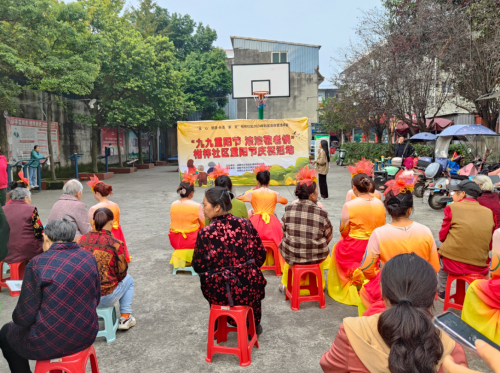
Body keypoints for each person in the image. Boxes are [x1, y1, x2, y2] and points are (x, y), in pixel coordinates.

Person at [320, 253, 468, 373]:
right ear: (432, 299)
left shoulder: (352, 332)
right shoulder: (449, 346)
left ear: (383, 292)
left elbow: (329, 366)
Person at [0, 217, 100, 373]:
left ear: (46, 238)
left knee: (6, 333)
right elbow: (96, 298)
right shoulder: (89, 257)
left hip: (50, 342)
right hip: (86, 333)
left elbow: (24, 316)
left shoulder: (37, 263)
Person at [357, 171, 440, 316]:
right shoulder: (425, 231)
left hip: (391, 285)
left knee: (364, 292)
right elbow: (435, 267)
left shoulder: (379, 233)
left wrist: (379, 275)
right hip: (419, 286)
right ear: (409, 209)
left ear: (388, 210)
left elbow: (366, 268)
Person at [192, 187, 267, 335]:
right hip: (248, 288)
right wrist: (245, 270)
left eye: (205, 205)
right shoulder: (245, 224)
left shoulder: (205, 233)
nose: (203, 209)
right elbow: (260, 254)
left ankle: (218, 321)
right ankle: (254, 323)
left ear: (217, 207)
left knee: (212, 279)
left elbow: (198, 266)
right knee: (253, 277)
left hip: (220, 291)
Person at [327, 169, 386, 306]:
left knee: (337, 248)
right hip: (375, 242)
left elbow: (343, 229)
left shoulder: (350, 205)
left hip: (355, 243)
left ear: (354, 188)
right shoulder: (380, 203)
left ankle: (351, 285)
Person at [78, 208, 136, 330]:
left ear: (93, 222)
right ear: (111, 222)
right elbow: (122, 273)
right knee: (129, 280)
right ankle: (125, 317)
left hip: (81, 295)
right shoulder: (115, 243)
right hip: (103, 296)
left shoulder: (80, 240)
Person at [437, 180, 495, 300]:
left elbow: (442, 236)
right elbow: (489, 244)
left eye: (455, 192)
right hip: (480, 265)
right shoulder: (489, 212)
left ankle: (442, 291)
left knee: (440, 257)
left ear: (462, 194)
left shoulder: (452, 207)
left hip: (453, 264)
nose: (453, 195)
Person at [279, 166, 333, 293]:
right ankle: (316, 285)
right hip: (316, 255)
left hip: (291, 254)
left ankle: (288, 284)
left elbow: (284, 231)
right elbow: (329, 236)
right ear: (312, 195)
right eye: (317, 191)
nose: (318, 193)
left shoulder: (288, 209)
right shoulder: (322, 213)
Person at [237, 164, 287, 269]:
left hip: (255, 223)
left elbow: (239, 199)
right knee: (280, 238)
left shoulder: (252, 193)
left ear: (258, 182)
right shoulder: (275, 193)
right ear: (269, 182)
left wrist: (247, 192)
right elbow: (285, 201)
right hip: (271, 222)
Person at [460, 227, 500, 344]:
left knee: (475, 287)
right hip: (475, 262)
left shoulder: (498, 233)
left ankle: (478, 333)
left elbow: (495, 269)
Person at [87, 175, 130, 262]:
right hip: (116, 232)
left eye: (94, 193)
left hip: (102, 236)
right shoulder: (115, 205)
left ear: (97, 193)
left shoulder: (93, 209)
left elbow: (92, 226)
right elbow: (118, 220)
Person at [168, 172, 204, 270]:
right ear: (191, 193)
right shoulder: (197, 206)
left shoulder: (173, 204)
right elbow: (203, 224)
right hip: (191, 241)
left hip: (175, 239)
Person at [3, 186, 43, 264]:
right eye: (30, 198)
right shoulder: (31, 210)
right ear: (26, 198)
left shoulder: (2, 209)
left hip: (4, 251)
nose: (30, 200)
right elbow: (39, 233)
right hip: (24, 251)